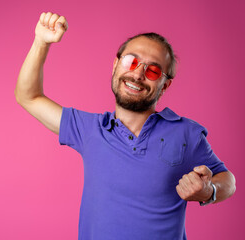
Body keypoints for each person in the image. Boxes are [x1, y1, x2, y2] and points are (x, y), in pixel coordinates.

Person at [15, 12, 236, 240]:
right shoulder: (89, 129)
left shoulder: (186, 133)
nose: (138, 74)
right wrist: (41, 42)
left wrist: (209, 191)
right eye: (131, 61)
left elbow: (228, 180)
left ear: (165, 84)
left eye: (153, 70)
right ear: (115, 65)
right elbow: (28, 96)